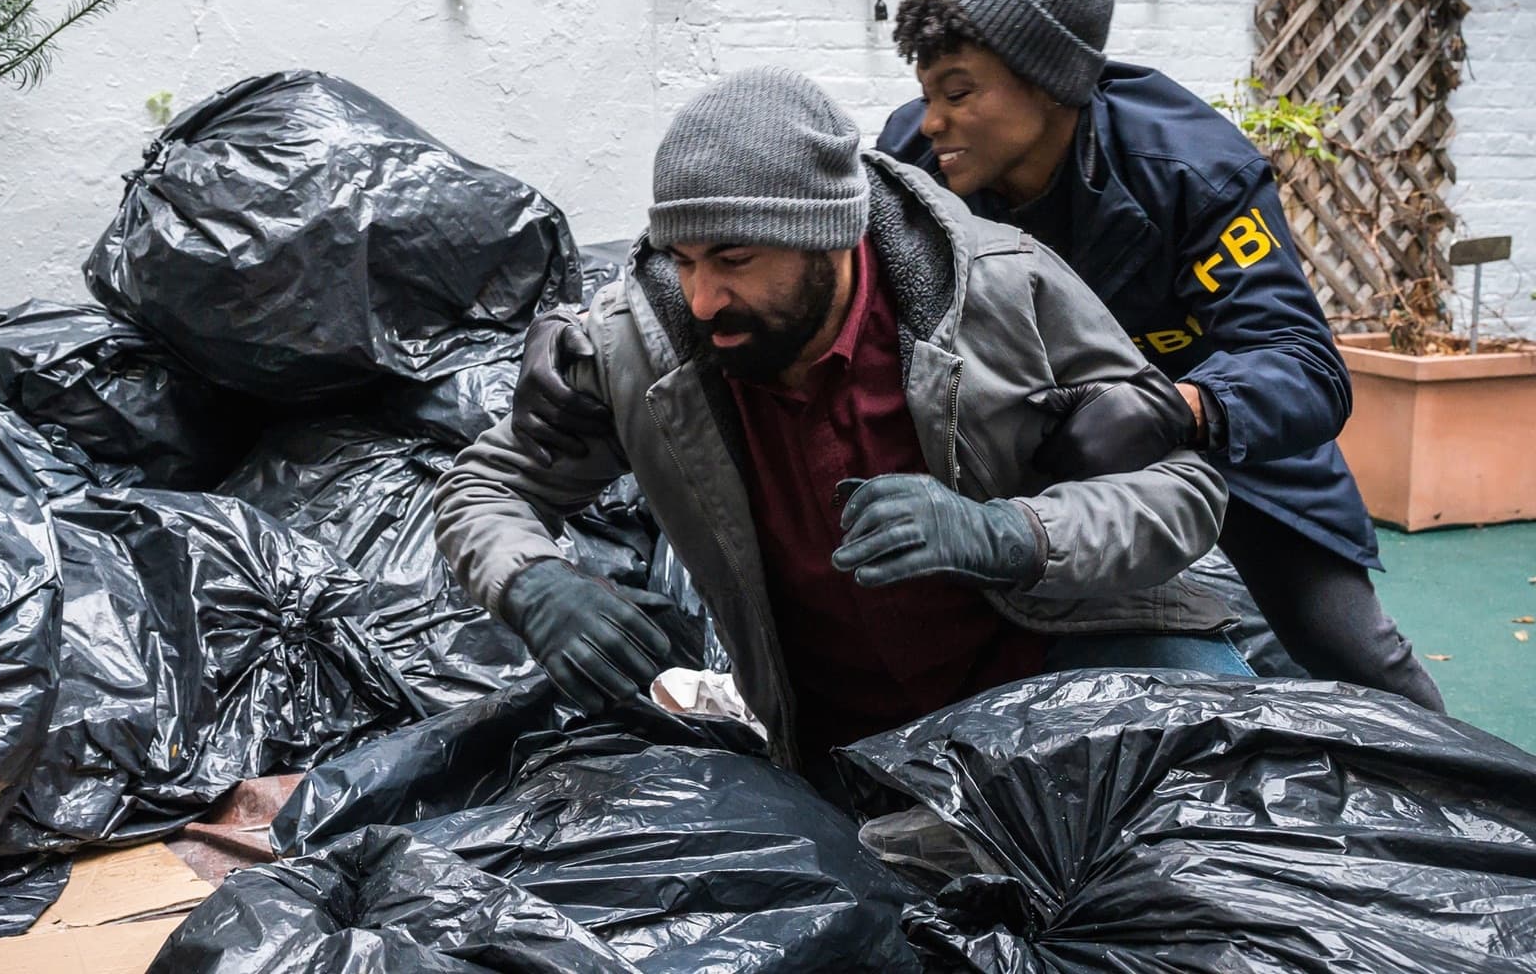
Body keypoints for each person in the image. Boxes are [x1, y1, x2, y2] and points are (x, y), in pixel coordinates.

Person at [508, 0, 1444, 714]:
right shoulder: (915, 164)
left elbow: (1304, 364)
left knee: (1345, 648)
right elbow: (779, 219)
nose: (932, 122)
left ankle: (1474, 804)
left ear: (1051, 82)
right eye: (926, 94)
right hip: (1042, 451)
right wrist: (607, 312)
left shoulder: (1191, 172)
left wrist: (1181, 409)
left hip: (1223, 436)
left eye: (959, 92)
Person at [435, 67, 1240, 786]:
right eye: (682, 260)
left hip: (1078, 677)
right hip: (850, 749)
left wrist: (1011, 534)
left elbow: (1184, 491)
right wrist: (531, 581)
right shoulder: (639, 351)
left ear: (834, 237)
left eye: (735, 259)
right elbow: (487, 487)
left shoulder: (1001, 292)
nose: (703, 299)